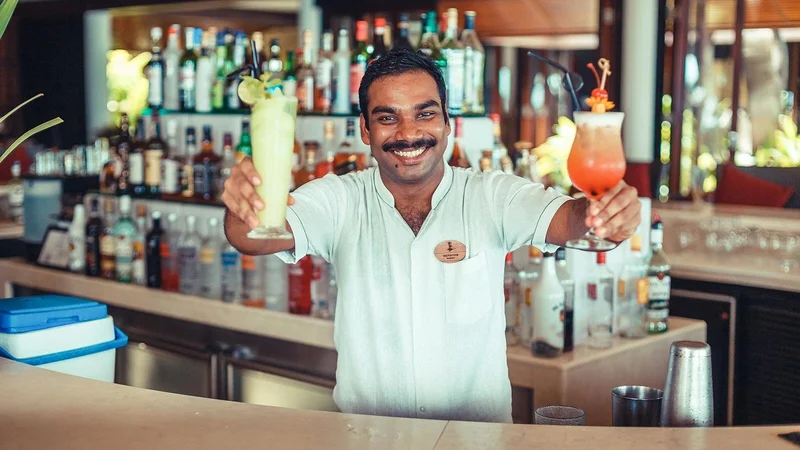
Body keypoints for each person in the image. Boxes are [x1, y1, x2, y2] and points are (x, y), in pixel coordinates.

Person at [222, 49, 641, 423]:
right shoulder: (340, 199)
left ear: (447, 123)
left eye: (425, 114)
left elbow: (572, 221)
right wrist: (242, 204)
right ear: (365, 130)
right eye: (388, 118)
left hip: (477, 442)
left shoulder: (491, 195)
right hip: (369, 439)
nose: (408, 133)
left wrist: (609, 214)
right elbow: (251, 237)